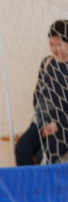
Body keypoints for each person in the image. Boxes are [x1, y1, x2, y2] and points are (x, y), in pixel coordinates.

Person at [15, 20, 68, 166]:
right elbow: (38, 95)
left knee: (43, 156)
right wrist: (42, 119)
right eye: (51, 45)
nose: (54, 49)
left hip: (64, 125)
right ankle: (28, 182)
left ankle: (42, 183)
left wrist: (57, 124)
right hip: (42, 121)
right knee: (21, 149)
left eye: (58, 45)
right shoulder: (47, 63)